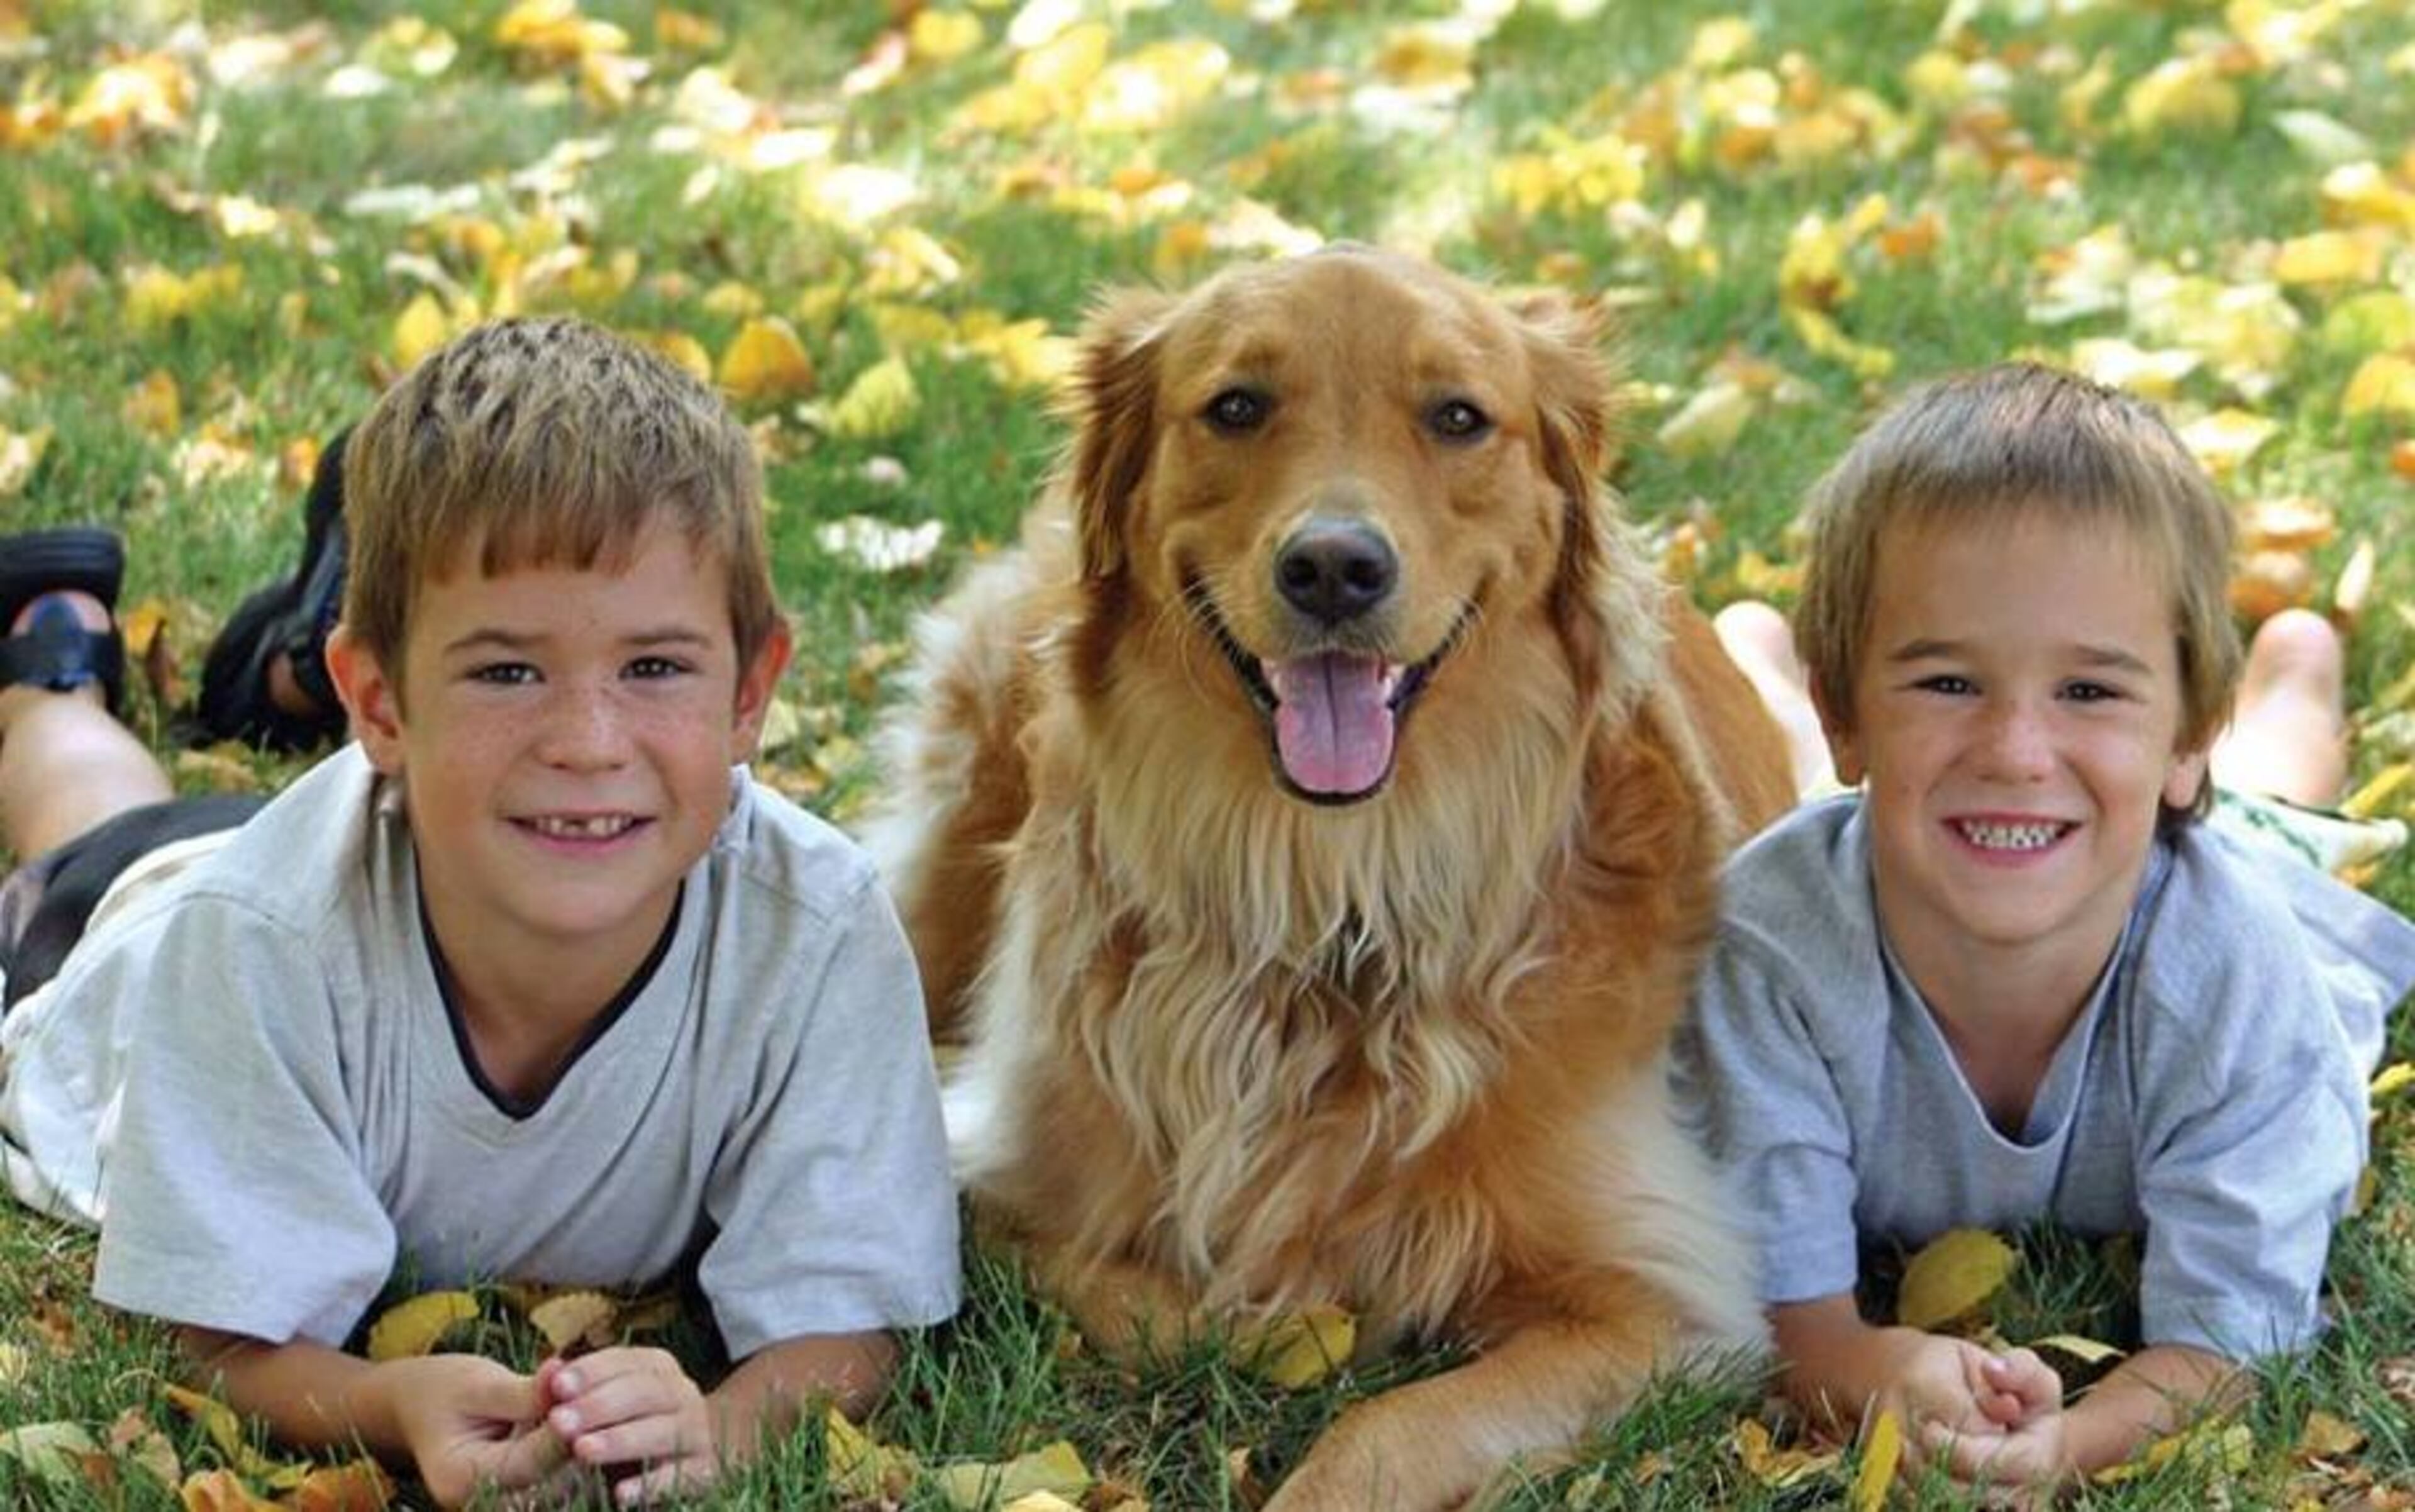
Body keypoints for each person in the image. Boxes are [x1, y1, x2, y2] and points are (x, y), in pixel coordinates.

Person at [0, 316, 961, 1508]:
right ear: (383, 706)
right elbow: (210, 1330)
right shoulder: (253, 944)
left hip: (403, 829)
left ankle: (275, 642)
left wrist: (724, 1425)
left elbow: (857, 1314)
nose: (588, 744)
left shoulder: (812, 932)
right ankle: (52, 658)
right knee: (85, 820)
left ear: (751, 691)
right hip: (136, 942)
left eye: (654, 669)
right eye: (508, 670)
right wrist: (385, 1409)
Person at [1679, 362, 2415, 1499]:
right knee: (1816, 810)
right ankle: (1773, 665)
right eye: (1946, 682)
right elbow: (1785, 1321)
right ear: (1851, 714)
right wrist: (1875, 1365)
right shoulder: (1767, 953)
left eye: (2090, 691)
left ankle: (2293, 668)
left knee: (2288, 797)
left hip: (2232, 860)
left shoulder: (2240, 982)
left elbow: (2230, 1342)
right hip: (1913, 822)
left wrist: (2073, 1441)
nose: (2019, 747)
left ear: (2183, 738)